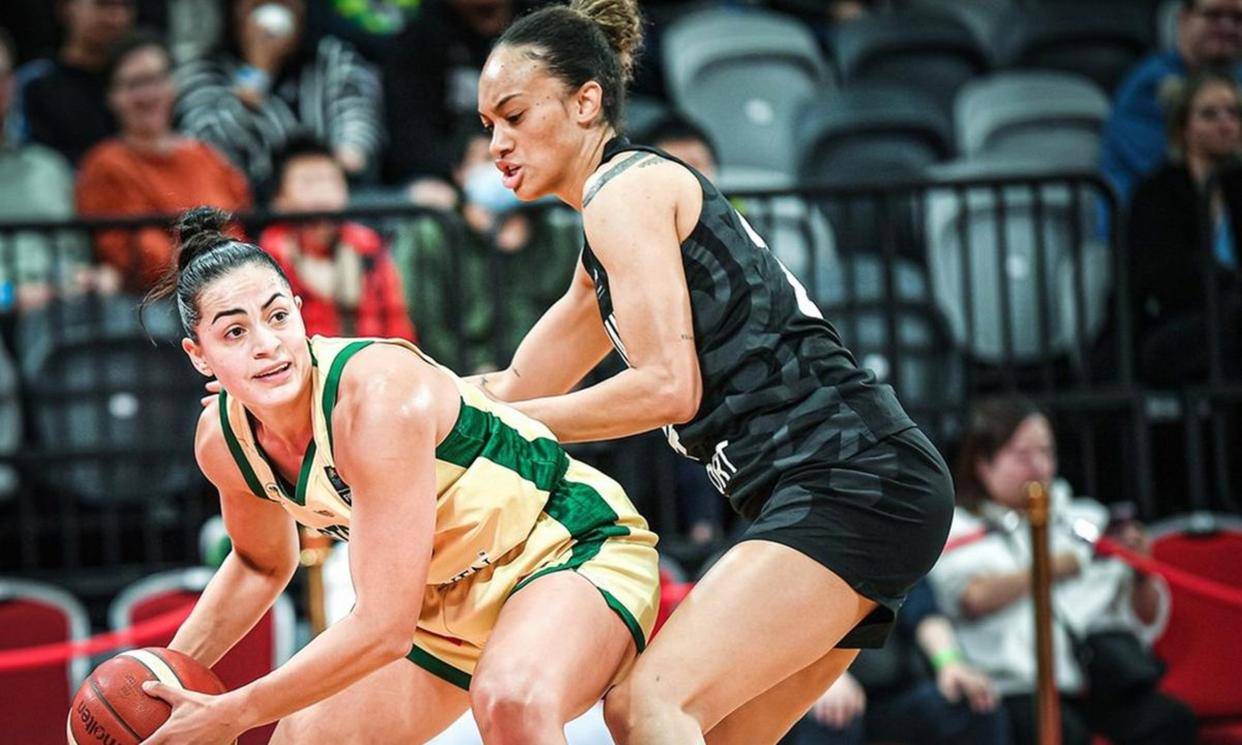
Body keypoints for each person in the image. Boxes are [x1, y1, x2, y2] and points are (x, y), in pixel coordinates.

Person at [473, 2, 955, 742]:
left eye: (514, 115)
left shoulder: (623, 192)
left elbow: (667, 388)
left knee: (647, 705)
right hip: (853, 482)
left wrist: (506, 426)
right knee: (714, 728)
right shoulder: (606, 242)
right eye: (487, 126)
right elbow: (511, 386)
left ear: (586, 102)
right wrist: (374, 391)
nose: (497, 144)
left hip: (846, 475)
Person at [138, 206, 659, 743]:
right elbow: (258, 565)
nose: (266, 344)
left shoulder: (375, 399)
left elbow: (384, 628)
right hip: (442, 604)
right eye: (234, 332)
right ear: (199, 356)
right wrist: (154, 680)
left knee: (511, 699)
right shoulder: (223, 442)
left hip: (564, 548)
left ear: (300, 312)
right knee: (304, 739)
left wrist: (233, 712)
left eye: (277, 317)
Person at [928, 396, 1197, 745]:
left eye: (1046, 452)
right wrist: (1061, 564)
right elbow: (971, 598)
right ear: (983, 463)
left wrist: (1141, 570)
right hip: (1014, 686)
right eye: (1022, 455)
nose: (1039, 466)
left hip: (1097, 677)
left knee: (1170, 721)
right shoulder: (960, 527)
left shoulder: (1085, 519)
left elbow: (1144, 618)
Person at [393, 122, 582, 374]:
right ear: (460, 172)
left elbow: (583, 318)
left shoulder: (557, 233)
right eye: (486, 159)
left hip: (557, 377)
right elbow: (428, 328)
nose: (499, 168)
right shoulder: (432, 237)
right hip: (466, 382)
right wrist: (475, 374)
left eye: (509, 157)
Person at [76, 31, 251, 291]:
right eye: (134, 84)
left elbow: (240, 223)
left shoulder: (205, 155)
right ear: (112, 96)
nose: (148, 94)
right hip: (161, 297)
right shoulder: (105, 164)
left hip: (232, 284)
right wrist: (211, 271)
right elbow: (136, 252)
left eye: (156, 79)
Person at [174, 0, 384, 188]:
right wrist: (259, 70)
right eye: (258, 5)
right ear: (234, 10)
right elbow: (208, 153)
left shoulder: (333, 60)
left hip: (327, 195)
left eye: (284, 3)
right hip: (243, 205)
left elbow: (356, 137)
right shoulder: (207, 70)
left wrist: (317, 176)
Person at [783, 579, 1009, 745]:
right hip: (826, 685)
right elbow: (789, 627)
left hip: (896, 691)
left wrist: (950, 663)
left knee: (973, 702)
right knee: (831, 715)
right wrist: (825, 677)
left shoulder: (891, 547)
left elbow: (923, 613)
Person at [1127, 70, 1242, 384]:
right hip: (1173, 326)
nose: (1225, 124)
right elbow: (1164, 277)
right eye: (1209, 115)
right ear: (1183, 127)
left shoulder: (1237, 186)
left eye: (1233, 113)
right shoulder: (1156, 193)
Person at [260, 134, 415, 340]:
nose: (323, 194)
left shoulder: (368, 247)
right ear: (279, 200)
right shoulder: (264, 259)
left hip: (372, 357)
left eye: (331, 181)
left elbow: (398, 326)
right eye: (308, 183)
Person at [1099, 0, 1242, 220]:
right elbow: (1182, 172)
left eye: (1238, 19)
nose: (1227, 26)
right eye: (1213, 15)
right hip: (1150, 225)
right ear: (1183, 20)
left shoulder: (1236, 77)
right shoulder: (1149, 87)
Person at [0, 26, 107, 312]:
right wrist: (10, 296)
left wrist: (93, 278)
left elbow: (80, 258)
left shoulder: (49, 168)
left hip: (68, 311)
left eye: (2, 77)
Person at [14, 0, 134, 164]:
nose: (115, 17)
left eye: (124, 5)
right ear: (66, 8)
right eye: (102, 4)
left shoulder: (142, 82)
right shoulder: (35, 81)